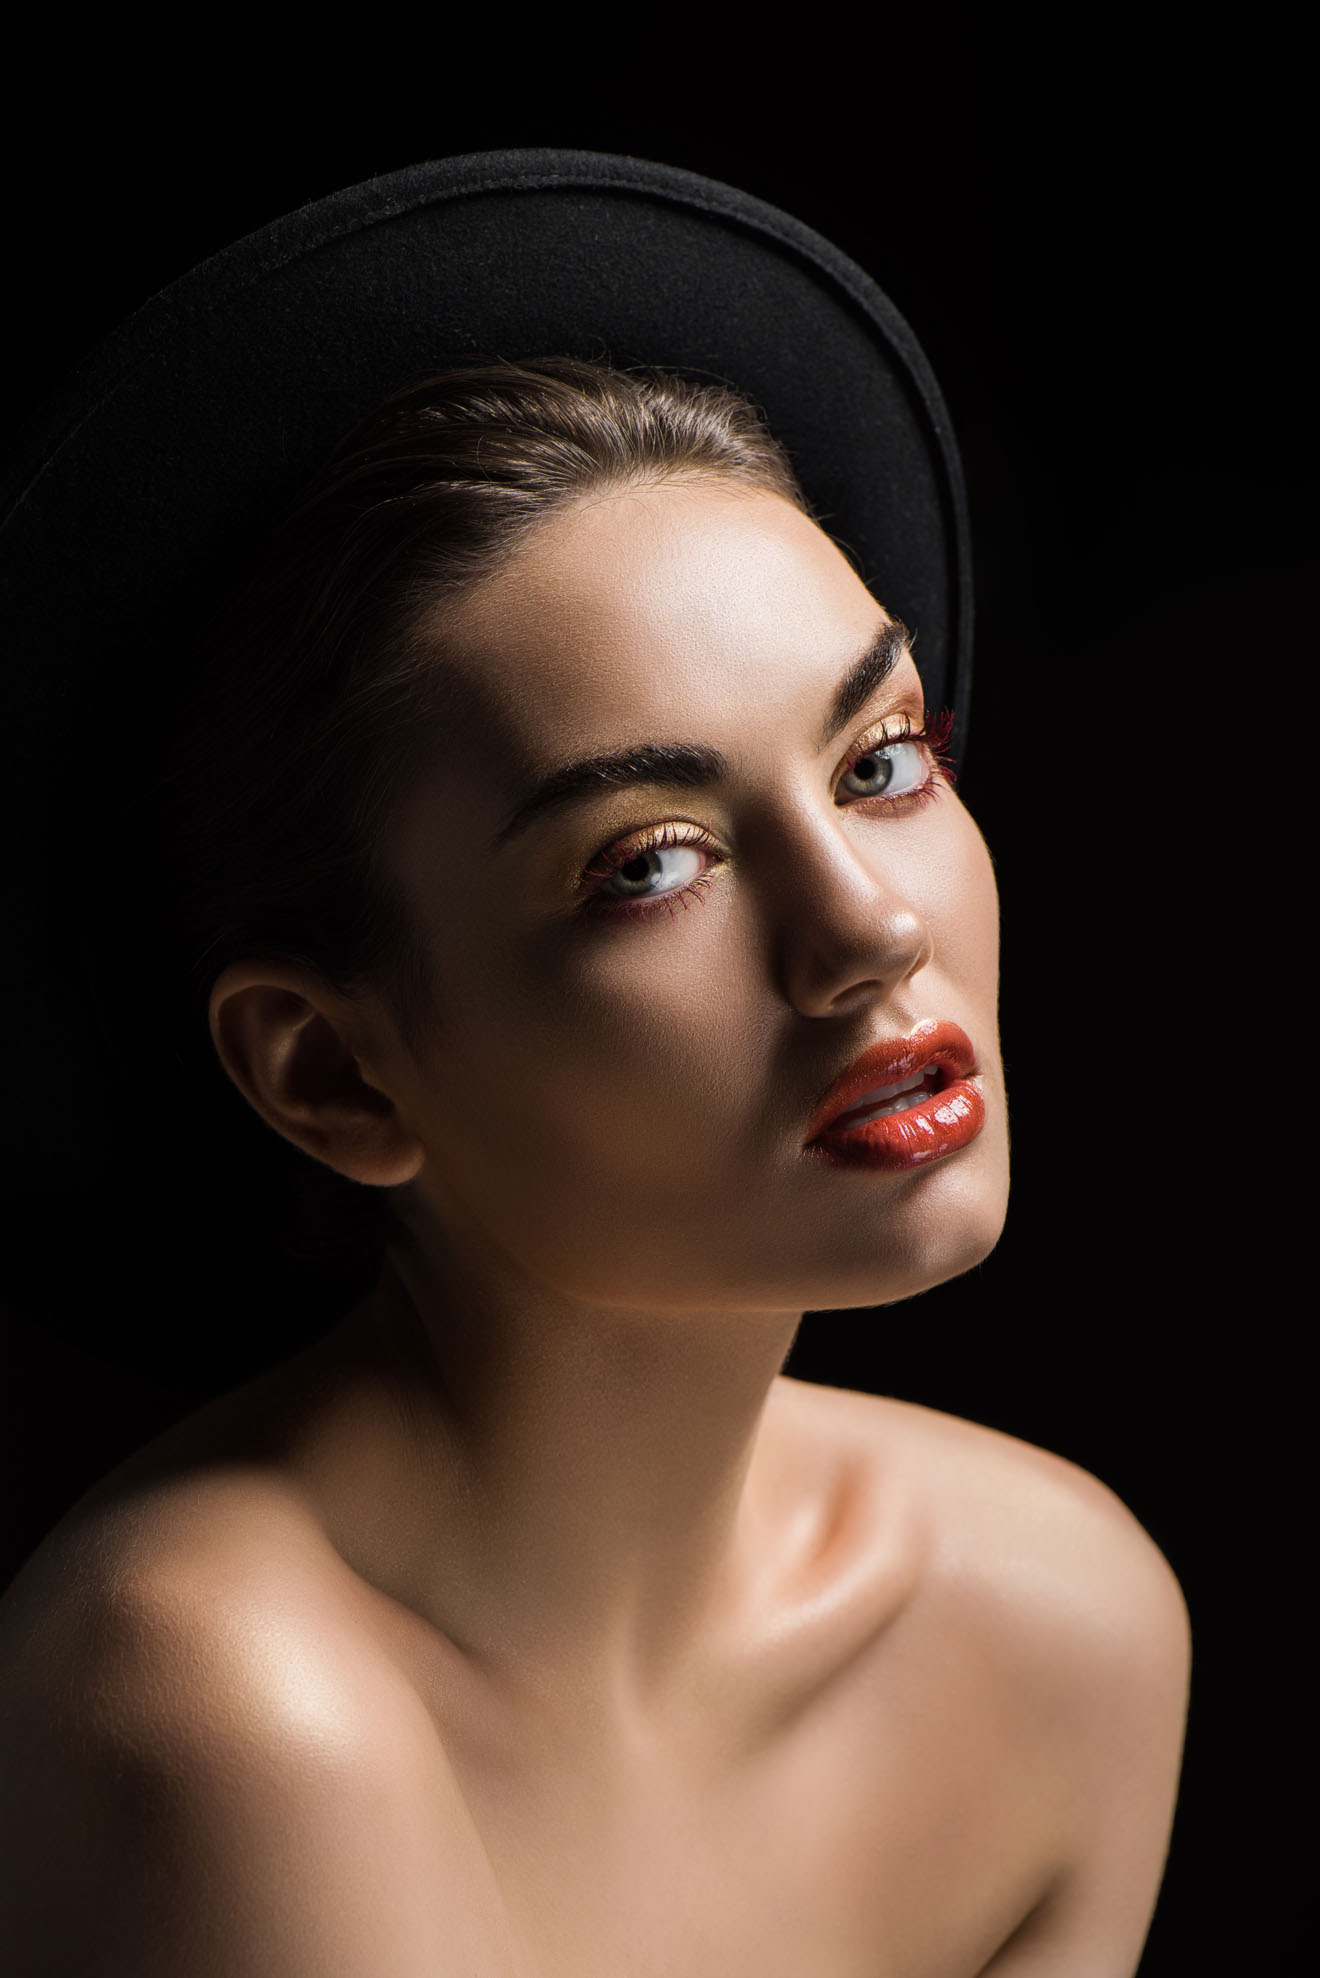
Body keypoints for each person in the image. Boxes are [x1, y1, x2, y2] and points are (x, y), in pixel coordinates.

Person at [0, 157, 1190, 1977]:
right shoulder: (225, 1701)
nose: (870, 928)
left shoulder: (1057, 1622)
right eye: (649, 859)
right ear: (334, 1073)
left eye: (880, 759)